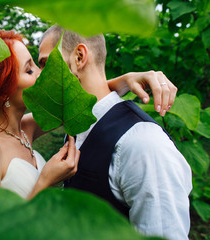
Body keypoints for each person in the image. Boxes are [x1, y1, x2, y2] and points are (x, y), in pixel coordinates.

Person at [0, 30, 180, 201]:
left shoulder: (23, 129)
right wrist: (45, 182)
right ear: (2, 91)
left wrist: (125, 80)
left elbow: (86, 104)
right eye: (29, 70)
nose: (42, 74)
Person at [37, 25, 192, 240]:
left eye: (45, 64)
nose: (37, 78)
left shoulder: (143, 143)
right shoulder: (78, 125)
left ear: (79, 57)